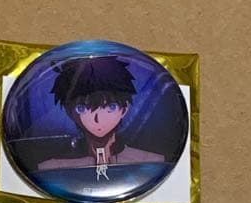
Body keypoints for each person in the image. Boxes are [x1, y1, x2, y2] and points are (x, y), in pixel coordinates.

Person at [37, 57, 165, 176]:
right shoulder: (51, 168)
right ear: (70, 112)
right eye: (83, 109)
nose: (98, 119)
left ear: (124, 109)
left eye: (111, 107)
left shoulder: (153, 162)